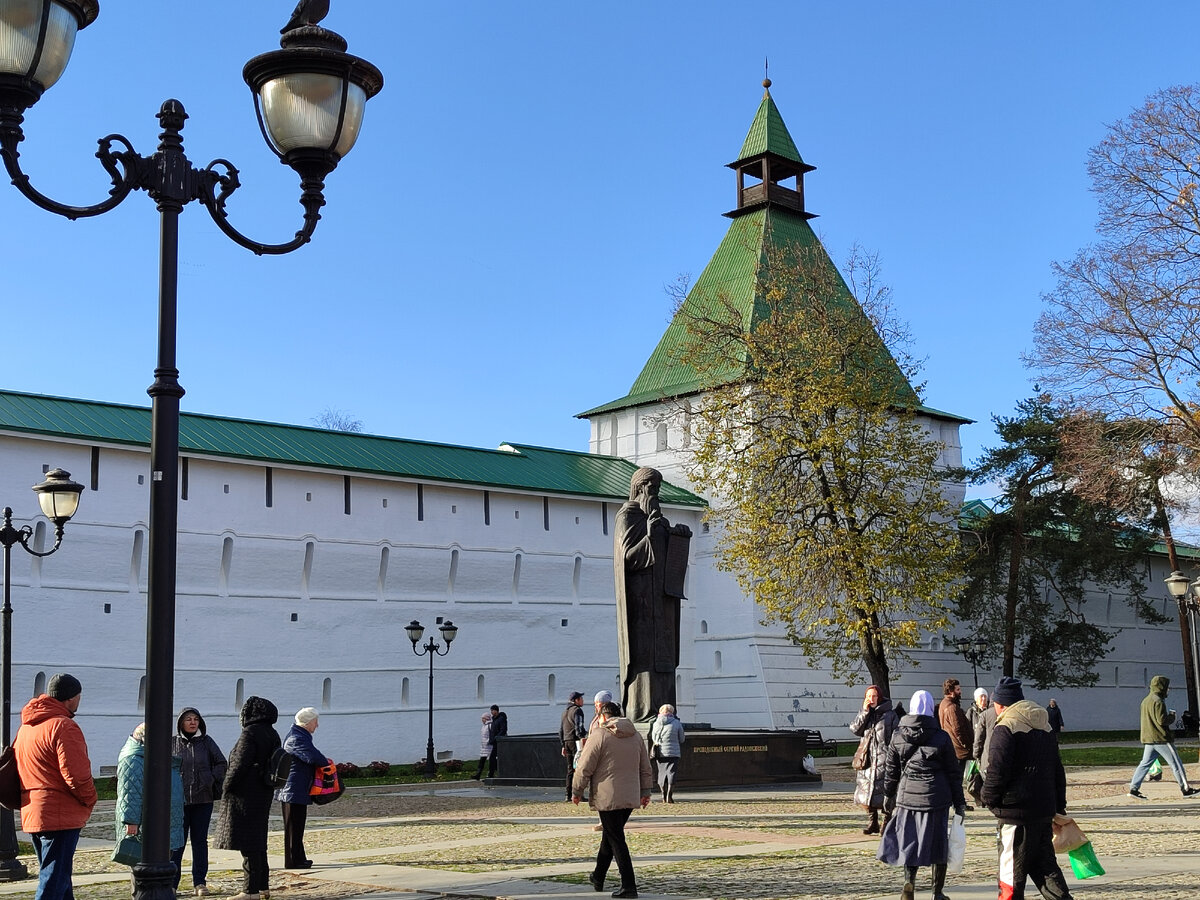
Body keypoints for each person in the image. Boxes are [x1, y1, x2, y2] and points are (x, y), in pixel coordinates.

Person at [981, 676, 1075, 900]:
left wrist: (988, 798)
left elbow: (997, 770)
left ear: (1001, 704)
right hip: (1043, 811)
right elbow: (1057, 769)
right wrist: (1058, 805)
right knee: (1047, 873)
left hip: (1015, 815)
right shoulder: (1045, 726)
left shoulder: (1006, 727)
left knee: (1011, 880)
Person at [614, 466, 692, 722]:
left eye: (658, 489)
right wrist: (649, 535)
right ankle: (642, 711)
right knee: (645, 656)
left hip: (662, 599)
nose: (655, 494)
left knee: (664, 654)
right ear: (639, 487)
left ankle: (667, 710)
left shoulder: (658, 519)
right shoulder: (627, 516)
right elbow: (626, 559)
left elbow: (668, 558)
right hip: (641, 601)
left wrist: (677, 536)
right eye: (652, 488)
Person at [13, 673, 97, 900]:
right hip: (59, 812)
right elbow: (76, 776)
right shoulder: (64, 726)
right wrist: (90, 799)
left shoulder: (26, 729)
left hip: (34, 811)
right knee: (52, 883)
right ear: (71, 698)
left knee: (58, 878)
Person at [878, 690, 965, 900]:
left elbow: (891, 771)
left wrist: (888, 796)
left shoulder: (898, 735)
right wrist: (959, 802)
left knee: (910, 842)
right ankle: (937, 892)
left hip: (908, 798)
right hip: (936, 798)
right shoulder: (942, 737)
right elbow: (953, 773)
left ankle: (909, 881)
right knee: (938, 844)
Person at [572, 701, 653, 898]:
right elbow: (645, 765)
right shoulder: (635, 736)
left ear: (603, 716)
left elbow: (585, 766)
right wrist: (646, 791)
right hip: (630, 794)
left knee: (616, 838)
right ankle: (598, 876)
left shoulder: (599, 734)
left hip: (607, 795)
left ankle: (629, 885)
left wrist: (576, 790)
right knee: (610, 835)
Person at [213, 696, 282, 900]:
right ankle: (262, 886)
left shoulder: (250, 733)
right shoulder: (272, 733)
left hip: (246, 793)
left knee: (248, 843)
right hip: (263, 790)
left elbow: (239, 763)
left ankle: (249, 890)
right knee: (258, 841)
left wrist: (226, 786)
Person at [115, 723, 184, 885]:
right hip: (145, 824)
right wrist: (131, 821)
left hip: (160, 820)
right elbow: (129, 792)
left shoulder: (151, 756)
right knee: (143, 867)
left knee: (159, 866)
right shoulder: (133, 759)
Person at [172, 707, 227, 897]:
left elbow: (221, 762)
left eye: (196, 719)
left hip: (203, 799)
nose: (192, 722)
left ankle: (200, 882)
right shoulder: (173, 743)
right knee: (177, 843)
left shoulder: (206, 742)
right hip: (178, 801)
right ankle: (172, 883)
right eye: (188, 719)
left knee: (199, 842)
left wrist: (210, 778)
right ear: (181, 723)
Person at [1127, 675, 1198, 798]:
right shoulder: (1158, 701)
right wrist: (1172, 716)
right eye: (1167, 687)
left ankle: (1134, 789)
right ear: (1162, 687)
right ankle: (1186, 789)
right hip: (1161, 738)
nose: (1168, 690)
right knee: (1176, 763)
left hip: (1148, 738)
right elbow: (1162, 720)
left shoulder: (1146, 700)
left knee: (1144, 764)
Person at [276, 707, 329, 870]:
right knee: (293, 827)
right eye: (315, 722)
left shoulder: (299, 735)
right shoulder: (297, 738)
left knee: (297, 826)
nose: (317, 725)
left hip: (296, 788)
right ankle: (293, 861)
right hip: (292, 789)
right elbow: (314, 757)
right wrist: (324, 761)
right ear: (307, 723)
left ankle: (299, 858)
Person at [849, 684, 898, 834]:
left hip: (884, 759)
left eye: (874, 695)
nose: (871, 699)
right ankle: (872, 822)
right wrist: (864, 712)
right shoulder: (866, 713)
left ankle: (886, 822)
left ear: (880, 697)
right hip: (868, 760)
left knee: (885, 793)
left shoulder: (890, 715)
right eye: (868, 696)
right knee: (867, 792)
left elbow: (896, 735)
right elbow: (855, 729)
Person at [937, 678, 973, 797]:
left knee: (953, 777)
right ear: (951, 691)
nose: (960, 691)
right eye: (958, 689)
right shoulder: (952, 707)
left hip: (951, 746)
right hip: (958, 749)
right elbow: (958, 729)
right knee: (957, 778)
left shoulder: (943, 704)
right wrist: (966, 744)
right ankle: (958, 801)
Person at [649, 703, 685, 803]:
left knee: (661, 773)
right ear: (672, 712)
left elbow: (654, 738)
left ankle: (663, 795)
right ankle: (670, 795)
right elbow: (682, 739)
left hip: (660, 752)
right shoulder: (676, 723)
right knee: (671, 773)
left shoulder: (656, 723)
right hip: (673, 752)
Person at [561, 691, 587, 802]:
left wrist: (562, 744)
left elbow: (560, 730)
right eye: (581, 698)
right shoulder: (577, 711)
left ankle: (568, 794)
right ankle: (578, 794)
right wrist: (582, 738)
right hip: (576, 742)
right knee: (579, 768)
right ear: (576, 700)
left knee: (570, 769)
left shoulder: (565, 712)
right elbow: (579, 727)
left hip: (567, 741)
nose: (583, 701)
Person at [486, 704, 507, 778]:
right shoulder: (494, 719)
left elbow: (503, 729)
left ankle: (492, 773)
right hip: (494, 741)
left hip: (499, 741)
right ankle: (494, 772)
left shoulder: (501, 719)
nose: (491, 712)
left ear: (496, 710)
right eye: (491, 710)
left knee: (494, 757)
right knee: (493, 757)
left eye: (492, 710)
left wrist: (496, 737)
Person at [473, 711, 494, 781]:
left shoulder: (490, 725)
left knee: (491, 761)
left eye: (483, 718)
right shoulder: (484, 726)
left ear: (487, 718)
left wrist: (488, 741)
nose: (482, 720)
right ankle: (478, 774)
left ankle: (490, 774)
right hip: (484, 746)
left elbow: (492, 735)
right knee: (482, 760)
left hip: (489, 746)